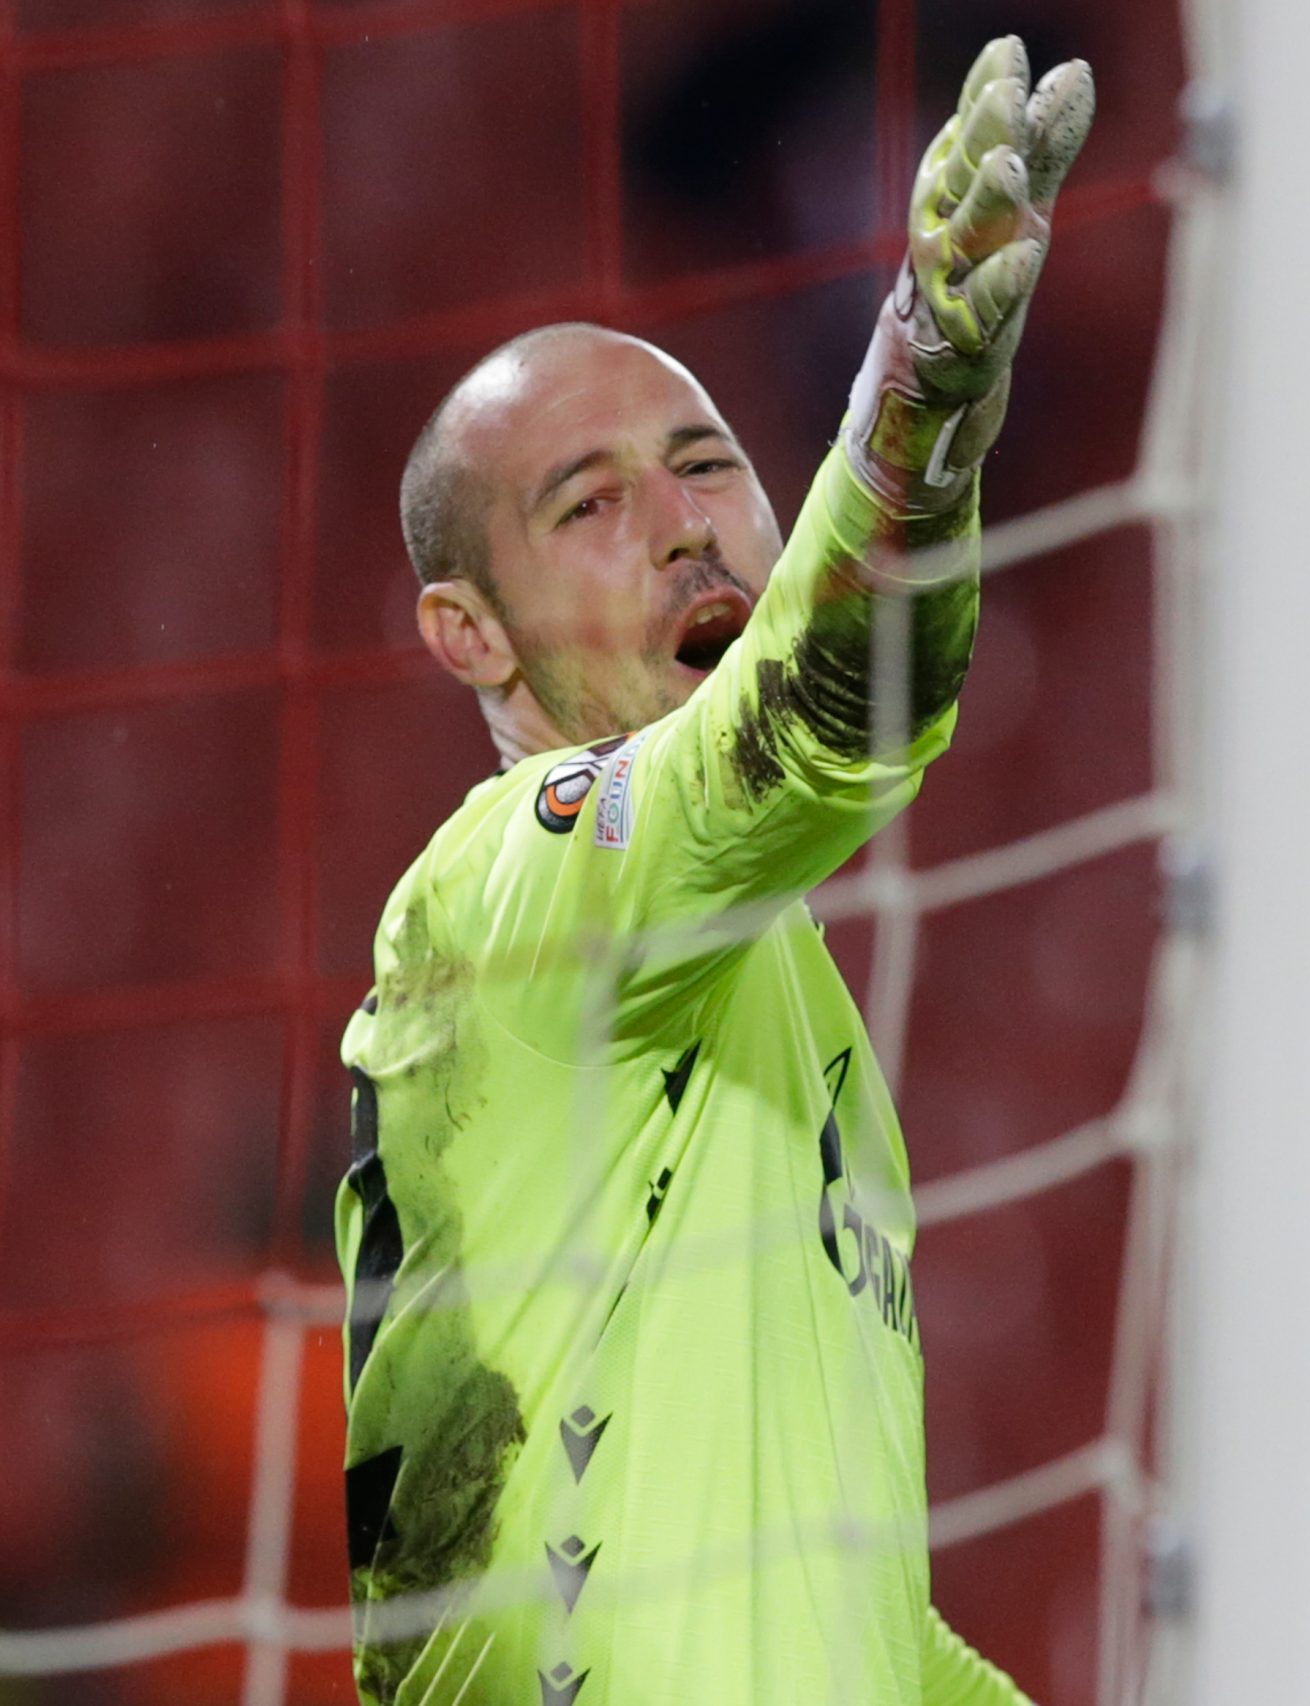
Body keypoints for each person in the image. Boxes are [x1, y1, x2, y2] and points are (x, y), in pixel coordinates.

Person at [333, 38, 1093, 1705]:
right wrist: (915, 416)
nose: (684, 524)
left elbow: (860, 1628)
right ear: (471, 633)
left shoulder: (797, 1031)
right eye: (588, 504)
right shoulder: (505, 897)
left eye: (705, 466)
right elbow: (809, 729)